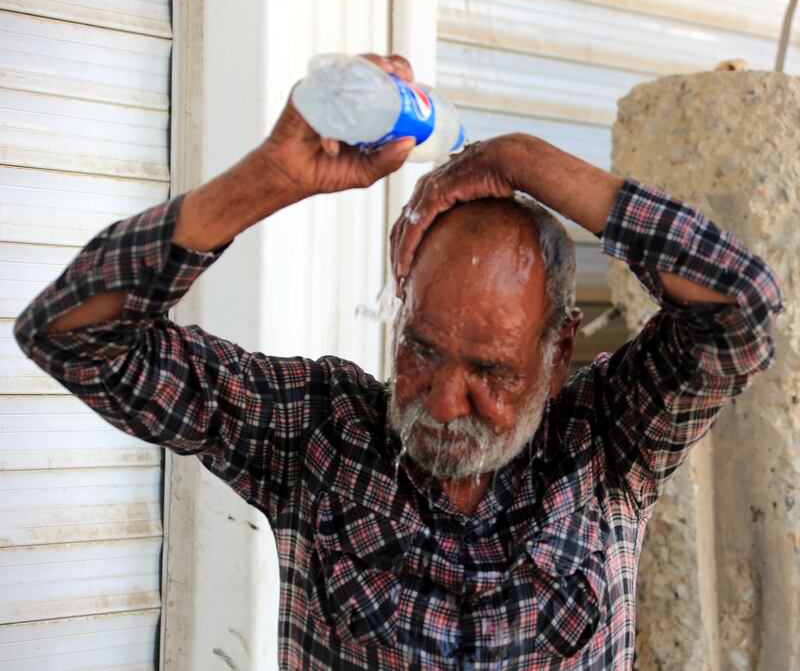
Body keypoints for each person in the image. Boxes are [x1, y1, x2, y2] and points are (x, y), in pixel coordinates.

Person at [14, 55, 780, 669]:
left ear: (555, 356)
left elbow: (741, 303)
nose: (444, 401)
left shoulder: (611, 444)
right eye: (421, 349)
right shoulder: (319, 436)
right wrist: (270, 178)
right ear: (398, 307)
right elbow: (74, 336)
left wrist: (520, 157)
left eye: (493, 372)